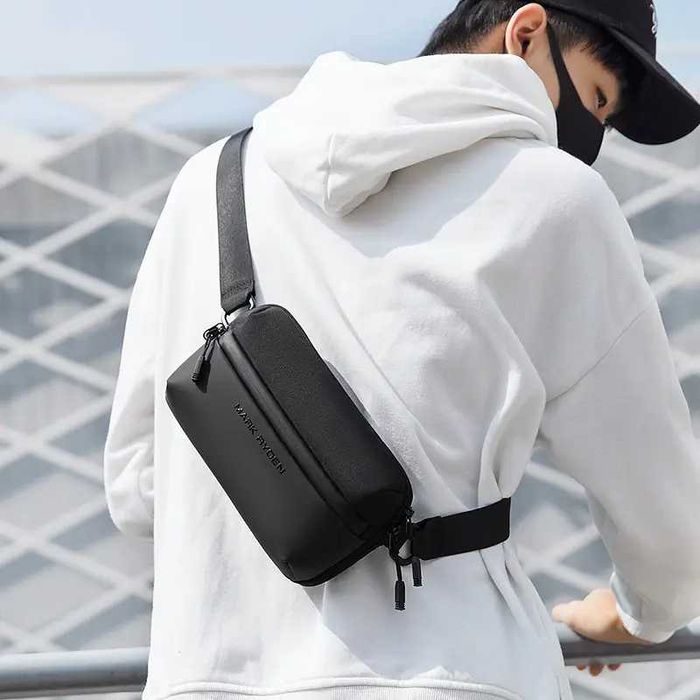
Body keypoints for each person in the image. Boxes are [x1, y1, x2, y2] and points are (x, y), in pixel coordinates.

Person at [103, 1, 700, 699]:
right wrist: (640, 613)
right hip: (451, 675)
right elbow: (667, 525)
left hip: (206, 678)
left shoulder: (210, 183)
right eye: (596, 99)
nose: (593, 134)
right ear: (526, 32)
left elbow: (138, 487)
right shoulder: (558, 197)